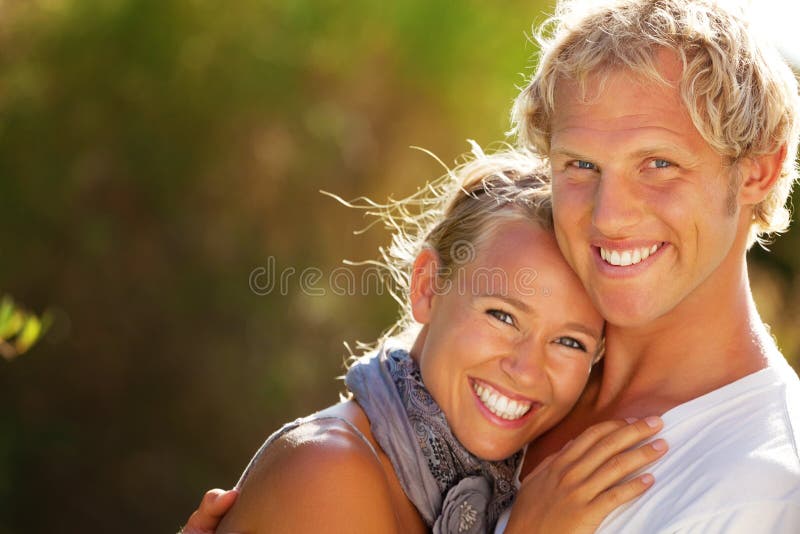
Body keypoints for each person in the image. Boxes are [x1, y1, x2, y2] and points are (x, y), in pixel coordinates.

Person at [185, 0, 800, 531]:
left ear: (757, 172)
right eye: (581, 165)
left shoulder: (766, 485)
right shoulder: (515, 396)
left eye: (659, 163)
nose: (609, 217)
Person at [183, 149, 668, 534]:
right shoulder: (330, 470)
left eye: (570, 342)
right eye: (502, 315)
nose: (525, 369)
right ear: (427, 287)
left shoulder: (496, 489)